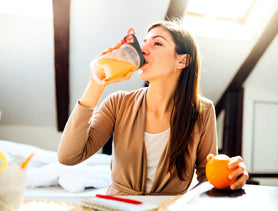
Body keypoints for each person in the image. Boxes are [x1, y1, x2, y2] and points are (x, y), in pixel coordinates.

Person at [58, 20, 249, 195]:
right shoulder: (117, 103)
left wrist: (231, 178)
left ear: (182, 61)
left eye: (157, 43)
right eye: (144, 42)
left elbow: (207, 176)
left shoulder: (202, 111)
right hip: (118, 207)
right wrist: (96, 83)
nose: (143, 50)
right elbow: (68, 156)